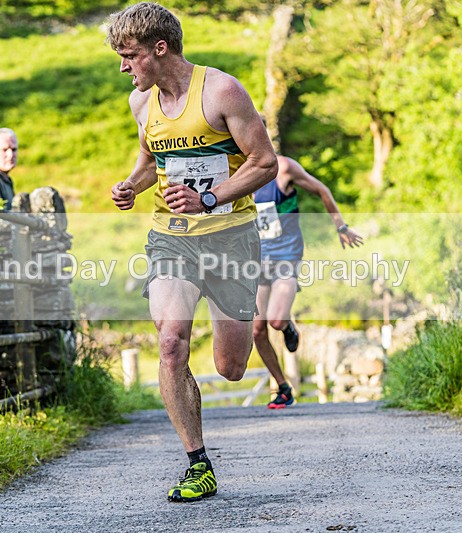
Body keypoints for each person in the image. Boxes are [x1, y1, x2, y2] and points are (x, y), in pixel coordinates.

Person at [106, 2, 277, 503]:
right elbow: (148, 162)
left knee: (230, 367)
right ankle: (196, 463)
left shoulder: (222, 91)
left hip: (231, 238)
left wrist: (208, 198)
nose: (123, 66)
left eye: (129, 55)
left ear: (160, 49)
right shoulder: (142, 104)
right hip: (172, 237)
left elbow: (264, 162)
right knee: (171, 340)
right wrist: (132, 187)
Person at [253, 147, 364, 409]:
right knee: (257, 329)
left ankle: (288, 326)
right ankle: (283, 388)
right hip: (255, 260)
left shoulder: (284, 169)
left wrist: (341, 225)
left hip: (286, 256)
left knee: (277, 321)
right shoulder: (236, 173)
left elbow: (322, 190)